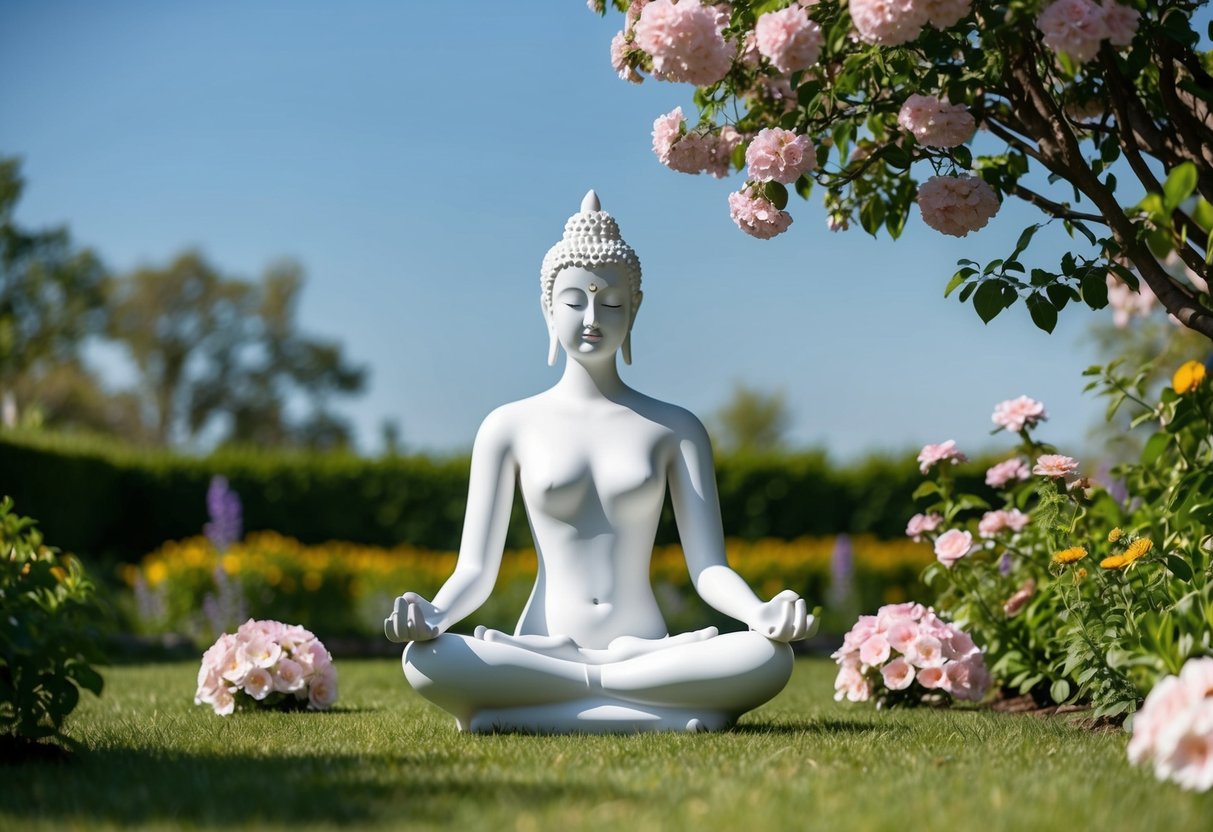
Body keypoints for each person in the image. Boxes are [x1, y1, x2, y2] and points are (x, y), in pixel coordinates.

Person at [385, 191, 816, 732]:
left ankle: (527, 713)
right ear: (547, 308)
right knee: (426, 659)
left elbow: (709, 568)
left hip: (645, 650)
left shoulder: (674, 428)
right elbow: (475, 570)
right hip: (544, 649)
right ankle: (661, 712)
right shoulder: (508, 426)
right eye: (574, 301)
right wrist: (435, 616)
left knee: (767, 656)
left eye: (612, 303)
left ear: (634, 310)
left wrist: (760, 613)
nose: (593, 318)